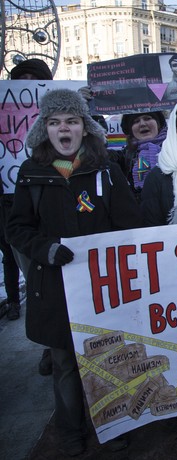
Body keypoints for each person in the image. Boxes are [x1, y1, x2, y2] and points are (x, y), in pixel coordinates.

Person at [6, 88, 142, 456]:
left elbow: (130, 226)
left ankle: (112, 423)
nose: (63, 129)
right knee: (65, 363)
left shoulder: (108, 171)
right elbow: (17, 228)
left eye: (71, 121)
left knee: (105, 358)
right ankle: (70, 432)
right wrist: (46, 249)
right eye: (54, 122)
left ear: (85, 127)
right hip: (53, 287)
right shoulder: (31, 173)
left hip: (101, 286)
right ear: (44, 130)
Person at [7, 58, 53, 376]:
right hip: (12, 210)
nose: (25, 83)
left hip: (52, 210)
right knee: (38, 283)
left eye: (31, 79)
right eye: (18, 79)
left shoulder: (60, 111)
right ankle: (52, 346)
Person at [113, 111, 168, 202]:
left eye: (147, 118)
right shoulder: (125, 155)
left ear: (158, 124)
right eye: (136, 121)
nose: (142, 124)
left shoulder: (175, 149)